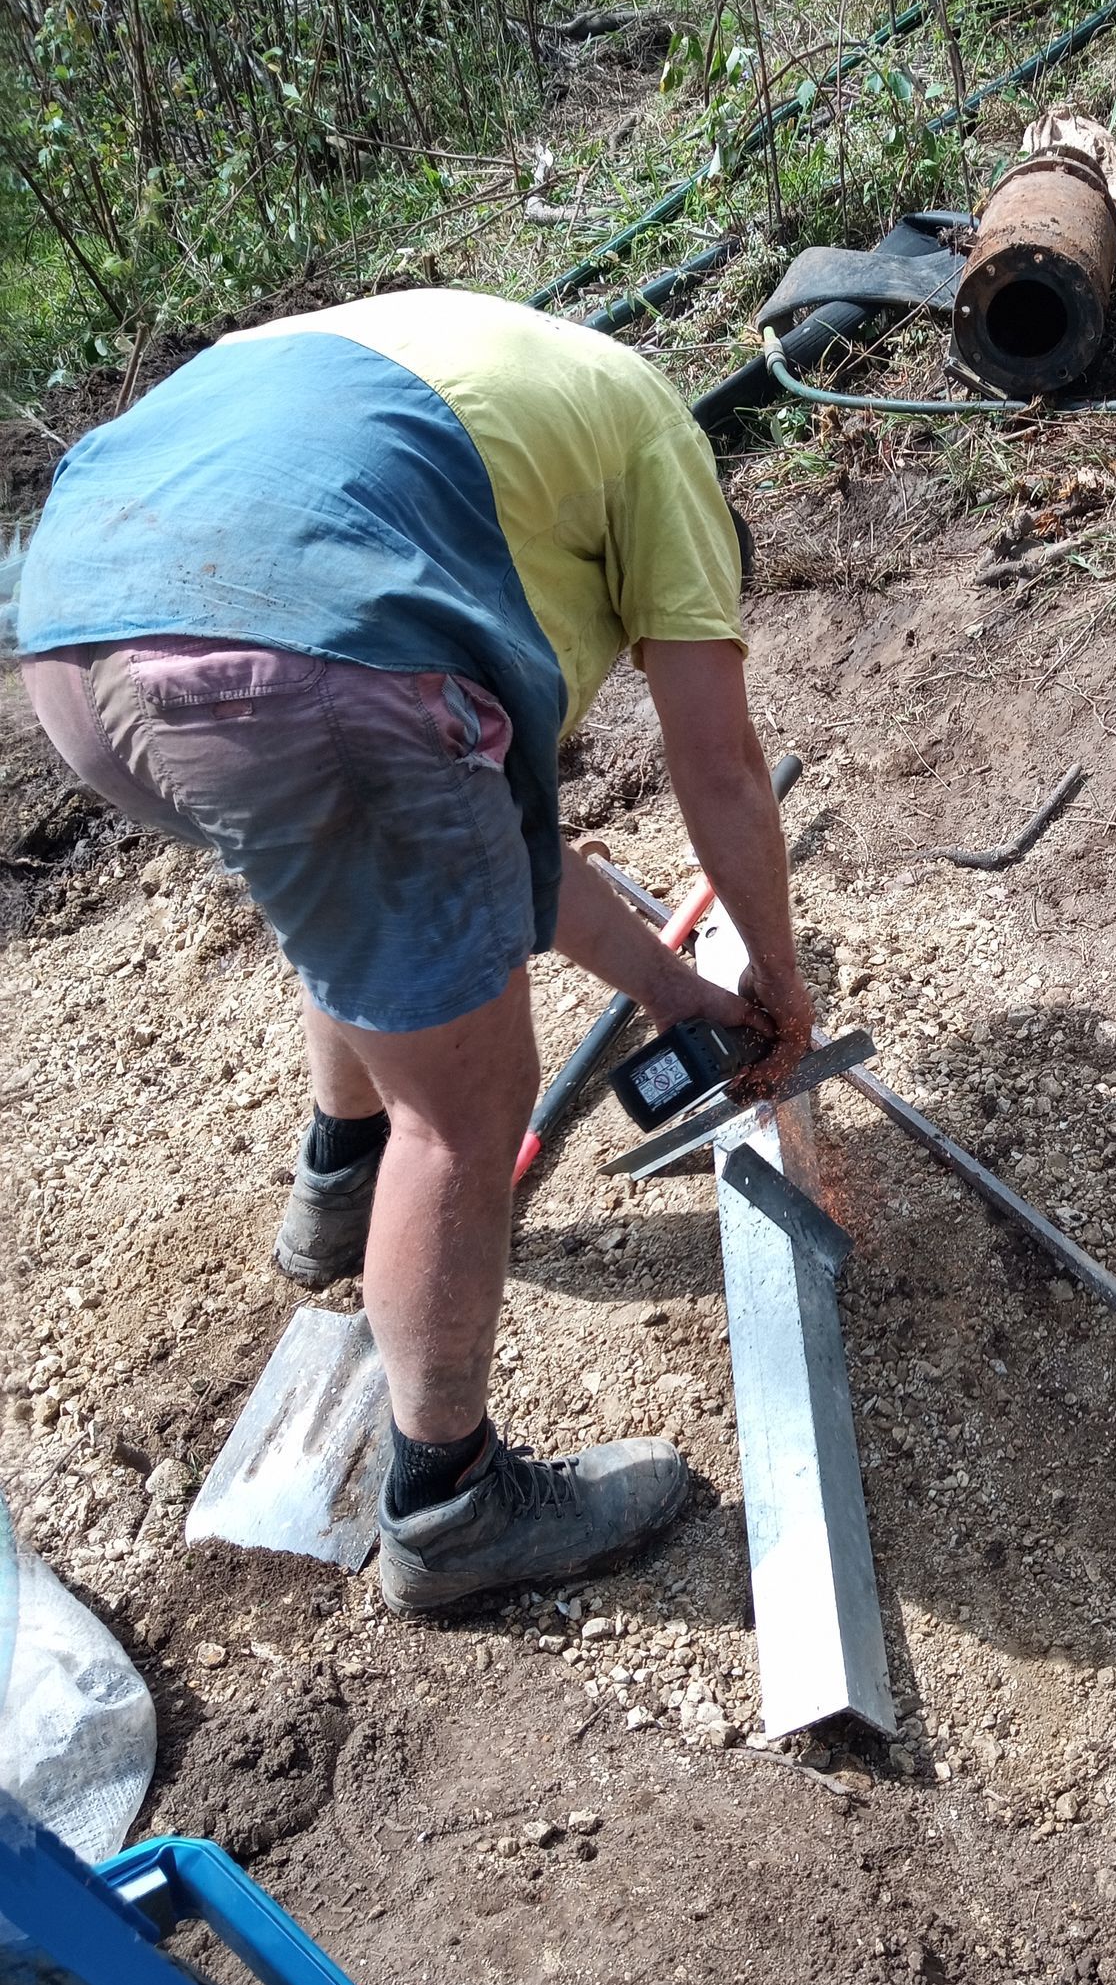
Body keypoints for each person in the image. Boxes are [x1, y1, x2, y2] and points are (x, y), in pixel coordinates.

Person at [15, 287, 814, 1615]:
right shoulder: (664, 459)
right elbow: (720, 761)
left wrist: (681, 992)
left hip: (79, 624)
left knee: (369, 898)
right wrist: (776, 978)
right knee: (469, 1102)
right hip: (283, 656)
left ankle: (338, 1186)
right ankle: (448, 1503)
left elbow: (493, 867)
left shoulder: (492, 414)